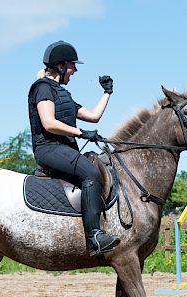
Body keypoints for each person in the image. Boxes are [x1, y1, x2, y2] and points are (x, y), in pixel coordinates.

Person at [28, 40, 120, 256]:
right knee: (90, 173)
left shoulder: (63, 95)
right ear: (60, 66)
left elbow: (94, 117)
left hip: (65, 149)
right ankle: (94, 237)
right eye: (72, 65)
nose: (75, 70)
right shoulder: (42, 88)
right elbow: (48, 122)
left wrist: (107, 93)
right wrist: (80, 132)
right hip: (48, 148)